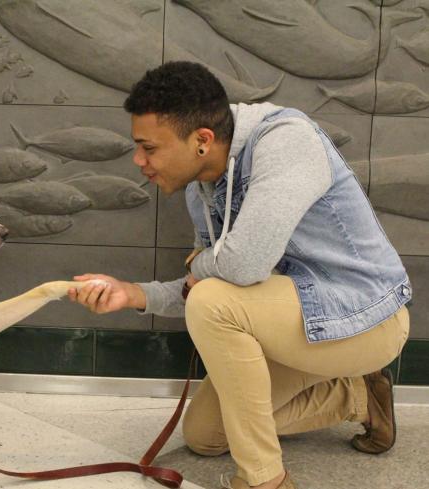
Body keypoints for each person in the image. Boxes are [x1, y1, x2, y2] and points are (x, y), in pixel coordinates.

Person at [67, 61, 411, 489]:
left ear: (202, 140)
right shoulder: (201, 189)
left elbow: (239, 269)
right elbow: (210, 280)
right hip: (298, 324)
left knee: (215, 302)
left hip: (365, 320)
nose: (139, 160)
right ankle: (357, 396)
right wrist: (134, 294)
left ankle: (265, 480)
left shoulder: (286, 141)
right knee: (205, 436)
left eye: (149, 148)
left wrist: (202, 265)